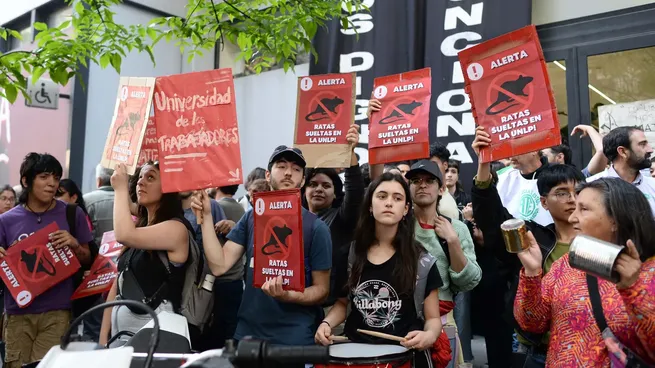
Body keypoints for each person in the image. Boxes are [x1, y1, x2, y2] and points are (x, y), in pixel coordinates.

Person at [193, 146, 332, 348]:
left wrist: (289, 295)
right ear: (268, 175)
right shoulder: (251, 217)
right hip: (248, 335)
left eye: (295, 169)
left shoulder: (316, 227)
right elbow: (219, 265)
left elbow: (322, 290)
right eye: (281, 166)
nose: (287, 172)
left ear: (302, 180)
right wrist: (206, 217)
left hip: (293, 339)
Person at [471, 126, 586, 367]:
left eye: (578, 192)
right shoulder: (535, 241)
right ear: (543, 202)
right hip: (540, 352)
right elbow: (493, 219)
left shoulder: (602, 243)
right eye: (562, 193)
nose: (572, 199)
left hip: (589, 350)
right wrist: (484, 164)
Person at [514, 178, 655, 366]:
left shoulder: (648, 271)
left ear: (616, 219)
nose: (572, 218)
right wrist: (532, 273)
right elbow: (532, 323)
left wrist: (633, 291)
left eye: (584, 209)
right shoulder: (566, 265)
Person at [316, 172, 443, 368]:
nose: (389, 203)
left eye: (397, 198)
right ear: (370, 205)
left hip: (403, 357)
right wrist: (326, 324)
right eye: (382, 196)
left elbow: (433, 318)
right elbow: (342, 304)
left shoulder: (422, 261)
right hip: (356, 354)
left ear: (405, 209)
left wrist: (429, 335)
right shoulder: (349, 254)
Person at [0, 153, 93, 368]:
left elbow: (88, 258)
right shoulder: (6, 221)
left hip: (58, 311)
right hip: (17, 312)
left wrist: (74, 244)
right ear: (26, 181)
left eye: (56, 178)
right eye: (44, 177)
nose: (52, 183)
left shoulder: (72, 214)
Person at [99, 162, 192, 345]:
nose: (141, 182)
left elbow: (124, 234)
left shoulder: (176, 229)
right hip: (121, 337)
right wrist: (104, 335)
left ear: (168, 188)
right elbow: (120, 280)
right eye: (140, 176)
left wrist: (119, 189)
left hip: (155, 340)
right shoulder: (143, 226)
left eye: (151, 178)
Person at [407, 160, 481, 367]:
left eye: (429, 181)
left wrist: (453, 242)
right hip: (402, 323)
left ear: (441, 189)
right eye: (415, 181)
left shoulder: (456, 228)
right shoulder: (398, 228)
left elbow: (469, 281)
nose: (422, 185)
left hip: (443, 322)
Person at [302, 124, 365, 329]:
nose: (319, 189)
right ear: (304, 191)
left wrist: (350, 153)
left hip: (331, 312)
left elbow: (355, 191)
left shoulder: (342, 219)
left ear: (336, 194)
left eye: (326, 185)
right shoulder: (293, 219)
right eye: (313, 184)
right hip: (296, 307)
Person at [587, 126, 655, 215]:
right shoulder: (591, 188)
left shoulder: (652, 186)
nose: (650, 150)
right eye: (642, 144)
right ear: (622, 151)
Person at [84, 164, 115, 244]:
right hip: (124, 254)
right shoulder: (129, 201)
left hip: (95, 253)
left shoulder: (85, 200)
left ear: (99, 181)